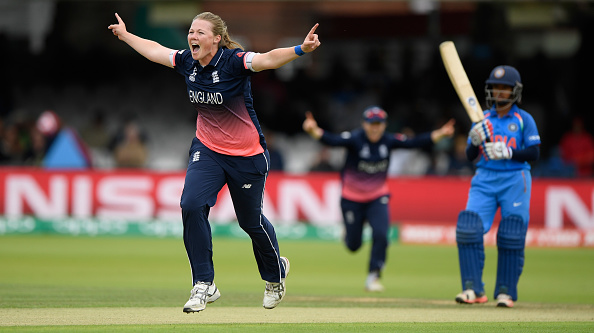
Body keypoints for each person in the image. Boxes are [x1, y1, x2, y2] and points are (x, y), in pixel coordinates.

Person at [109, 12, 320, 312]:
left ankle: (275, 275)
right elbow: (157, 52)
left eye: (200, 33)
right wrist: (127, 35)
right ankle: (203, 284)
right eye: (191, 31)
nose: (192, 37)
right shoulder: (188, 62)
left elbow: (268, 60)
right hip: (207, 150)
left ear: (216, 39)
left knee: (251, 221)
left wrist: (301, 50)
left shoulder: (234, 62)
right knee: (191, 205)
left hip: (246, 156)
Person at [302, 106, 454, 291]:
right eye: (372, 124)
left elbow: (414, 142)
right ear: (364, 124)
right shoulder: (355, 139)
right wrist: (313, 130)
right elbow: (331, 140)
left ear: (384, 125)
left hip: (377, 197)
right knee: (353, 246)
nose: (375, 128)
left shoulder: (388, 140)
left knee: (381, 234)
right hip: (351, 198)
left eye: (379, 124)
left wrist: (441, 133)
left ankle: (374, 275)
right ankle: (349, 234)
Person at [454, 65, 540, 308]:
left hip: (515, 179)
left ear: (515, 91)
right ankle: (472, 289)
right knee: (469, 228)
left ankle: (506, 292)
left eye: (504, 88)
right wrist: (474, 140)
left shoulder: (524, 119)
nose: (499, 92)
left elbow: (533, 153)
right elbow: (471, 155)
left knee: (511, 233)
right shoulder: (482, 119)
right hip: (485, 179)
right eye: (495, 87)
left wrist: (510, 152)